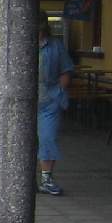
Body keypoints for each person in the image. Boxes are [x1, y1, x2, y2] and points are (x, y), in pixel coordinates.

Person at [38, 18, 75, 195]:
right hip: (23, 101)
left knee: (48, 137)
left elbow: (66, 69)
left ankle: (46, 178)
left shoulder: (55, 46)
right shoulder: (18, 43)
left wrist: (59, 92)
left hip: (49, 100)